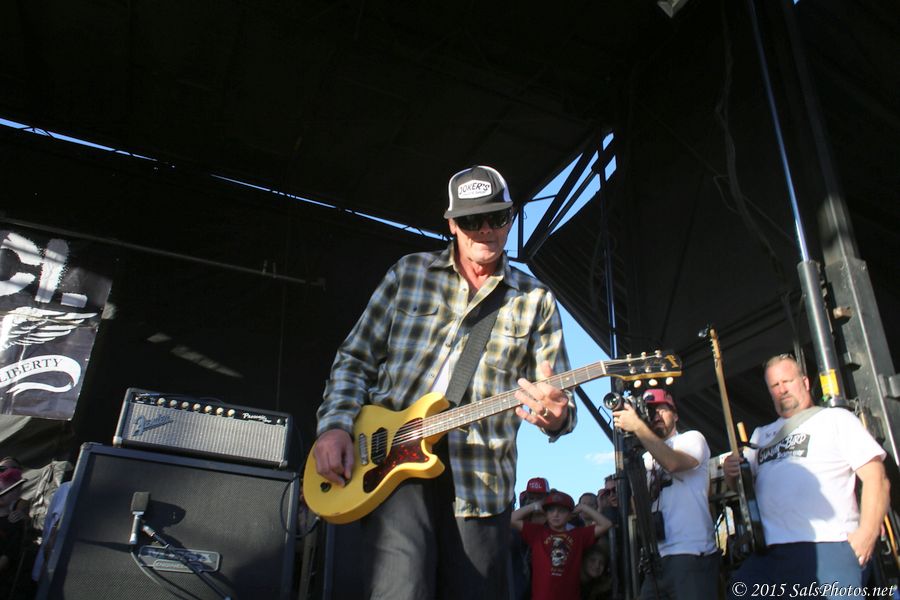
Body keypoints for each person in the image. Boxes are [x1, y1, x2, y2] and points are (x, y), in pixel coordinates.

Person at [312, 165, 576, 599]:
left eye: (497, 217)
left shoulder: (537, 301)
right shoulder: (408, 274)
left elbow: (560, 404)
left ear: (510, 217)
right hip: (394, 468)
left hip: (482, 481)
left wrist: (557, 416)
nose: (486, 230)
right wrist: (335, 426)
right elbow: (355, 358)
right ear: (452, 223)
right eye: (472, 220)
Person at [723, 354, 890, 598]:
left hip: (829, 544)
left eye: (787, 381)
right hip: (770, 553)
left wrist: (867, 533)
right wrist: (731, 473)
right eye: (775, 385)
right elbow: (741, 487)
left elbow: (877, 478)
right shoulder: (760, 435)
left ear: (805, 382)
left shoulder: (836, 419)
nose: (782, 389)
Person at [613, 388, 719, 599]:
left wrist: (638, 427)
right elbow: (637, 507)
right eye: (651, 412)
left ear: (676, 415)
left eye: (662, 410)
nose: (657, 416)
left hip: (691, 552)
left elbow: (672, 462)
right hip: (656, 558)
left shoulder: (691, 438)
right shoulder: (645, 459)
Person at [511, 491, 613, 600]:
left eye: (561, 511)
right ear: (546, 514)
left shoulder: (578, 535)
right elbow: (511, 519)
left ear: (570, 515)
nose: (555, 514)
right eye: (551, 510)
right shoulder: (537, 532)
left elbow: (606, 524)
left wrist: (583, 507)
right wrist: (535, 505)